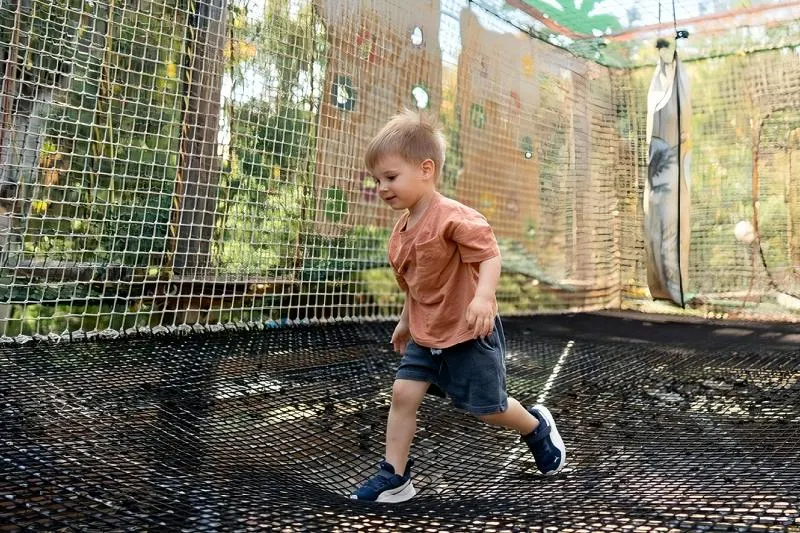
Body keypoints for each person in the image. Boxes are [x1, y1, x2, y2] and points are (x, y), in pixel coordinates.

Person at [351, 110, 565, 503]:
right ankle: (395, 476)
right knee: (403, 393)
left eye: (391, 177)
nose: (382, 187)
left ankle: (534, 426)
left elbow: (489, 254)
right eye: (377, 180)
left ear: (426, 169)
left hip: (467, 331)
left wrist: (483, 297)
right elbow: (417, 287)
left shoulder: (452, 217)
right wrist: (404, 322)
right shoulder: (398, 237)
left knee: (489, 409)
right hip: (425, 331)